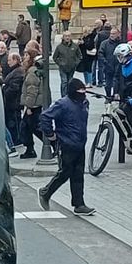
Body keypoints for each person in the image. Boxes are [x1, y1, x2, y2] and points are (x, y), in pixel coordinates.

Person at [37, 78, 95, 217]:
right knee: (65, 172)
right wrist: (51, 135)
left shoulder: (85, 102)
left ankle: (79, 204)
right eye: (80, 91)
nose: (83, 93)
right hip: (66, 144)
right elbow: (45, 116)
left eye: (84, 90)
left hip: (80, 143)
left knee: (78, 174)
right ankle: (45, 192)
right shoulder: (62, 104)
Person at [18, 50, 44, 159]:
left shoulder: (32, 72)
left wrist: (29, 106)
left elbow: (32, 90)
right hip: (34, 104)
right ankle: (30, 149)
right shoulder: (30, 71)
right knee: (26, 128)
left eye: (26, 55)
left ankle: (54, 143)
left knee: (34, 128)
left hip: (33, 105)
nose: (24, 58)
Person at [1, 52, 25, 151]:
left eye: (10, 60)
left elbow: (14, 88)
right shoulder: (15, 70)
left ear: (15, 60)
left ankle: (17, 140)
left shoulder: (18, 72)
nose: (8, 62)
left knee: (14, 122)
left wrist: (5, 91)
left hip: (14, 103)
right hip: (12, 103)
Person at [97, 27, 122, 97]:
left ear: (118, 34)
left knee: (116, 84)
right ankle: (108, 96)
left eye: (114, 34)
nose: (112, 35)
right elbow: (100, 53)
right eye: (111, 33)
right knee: (108, 84)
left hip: (118, 66)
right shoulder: (104, 43)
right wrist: (105, 62)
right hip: (108, 66)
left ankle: (114, 96)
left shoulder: (121, 43)